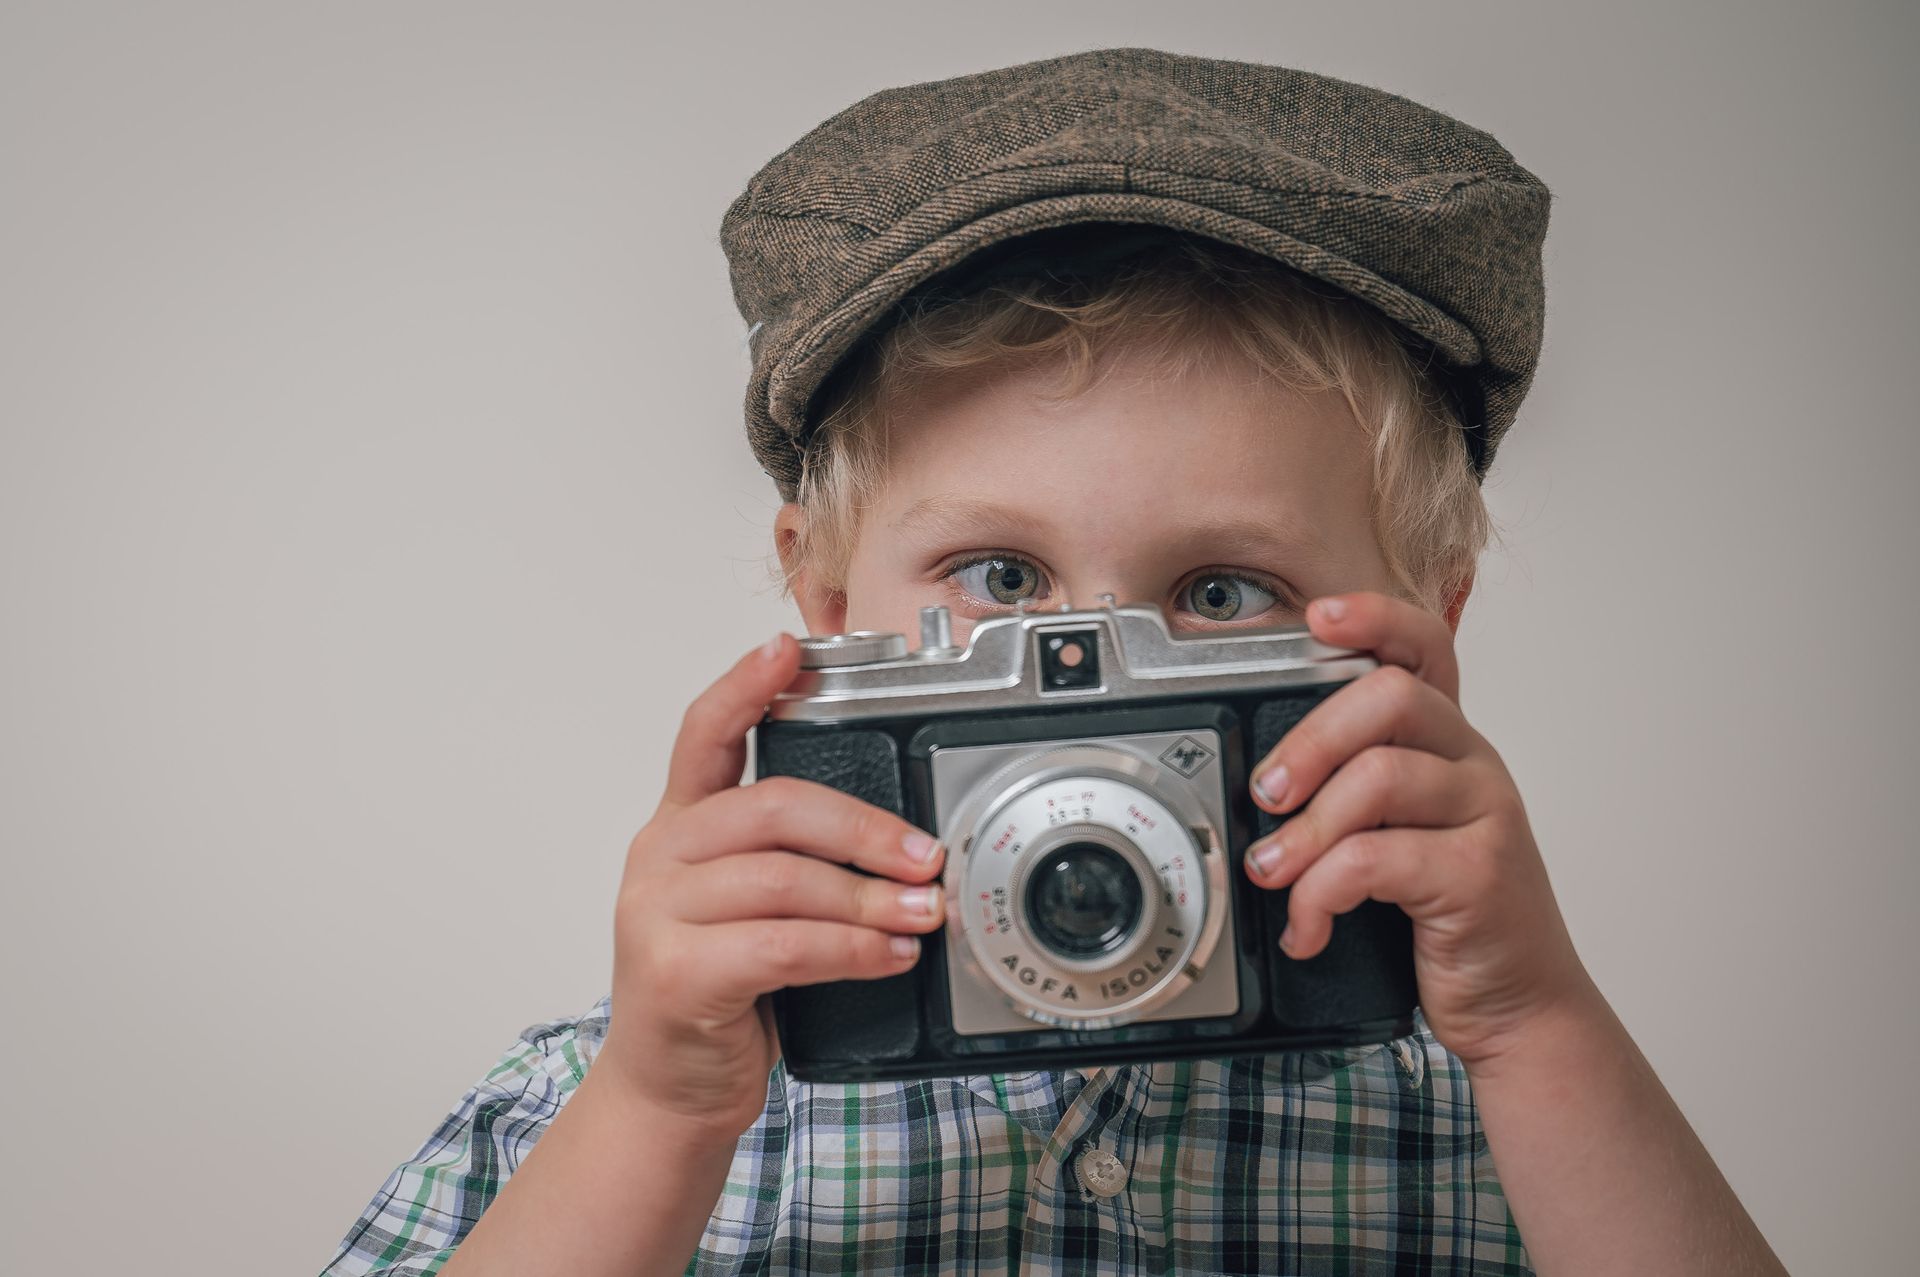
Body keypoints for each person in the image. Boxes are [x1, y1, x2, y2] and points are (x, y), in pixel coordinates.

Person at [320, 48, 1787, 1275]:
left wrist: (1535, 1028)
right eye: (1001, 577)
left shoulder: (1523, 1122)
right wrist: (654, 1110)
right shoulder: (623, 1097)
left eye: (1222, 588)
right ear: (826, 608)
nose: (1084, 679)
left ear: (1429, 625)